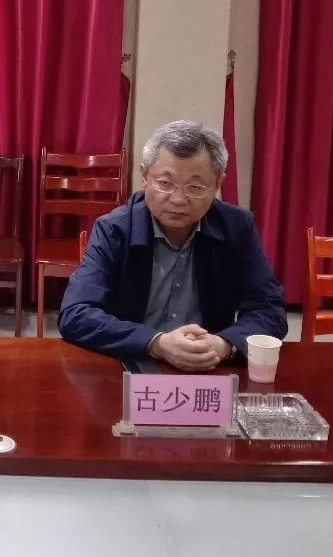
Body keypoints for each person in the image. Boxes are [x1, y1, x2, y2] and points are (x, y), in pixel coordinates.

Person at [59, 120, 287, 371]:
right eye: (165, 183)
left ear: (217, 184)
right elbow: (75, 314)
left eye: (195, 187)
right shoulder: (115, 229)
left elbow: (269, 310)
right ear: (144, 175)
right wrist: (157, 343)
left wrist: (223, 344)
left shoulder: (236, 228)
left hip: (207, 369)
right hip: (130, 366)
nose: (178, 199)